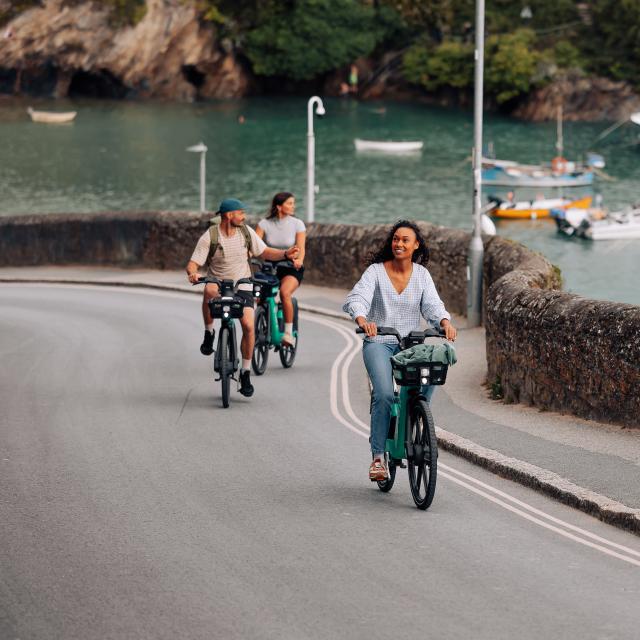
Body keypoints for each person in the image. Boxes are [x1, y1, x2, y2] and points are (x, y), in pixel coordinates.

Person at [343, 220, 457, 481]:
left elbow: (432, 305)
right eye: (396, 239)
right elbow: (357, 298)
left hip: (411, 345)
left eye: (405, 240)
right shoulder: (375, 272)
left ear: (416, 245)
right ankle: (378, 457)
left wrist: (444, 322)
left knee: (428, 380)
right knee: (383, 394)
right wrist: (363, 320)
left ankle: (416, 418)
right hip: (379, 343)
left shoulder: (422, 275)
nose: (399, 243)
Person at [186, 198, 299, 397]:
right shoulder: (210, 236)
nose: (244, 216)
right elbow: (193, 263)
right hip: (218, 282)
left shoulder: (246, 232)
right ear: (229, 215)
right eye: (241, 213)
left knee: (248, 325)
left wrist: (285, 254)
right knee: (209, 291)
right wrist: (193, 273)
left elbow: (264, 252)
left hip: (243, 284)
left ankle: (245, 373)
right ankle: (209, 333)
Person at [255, 192, 306, 347]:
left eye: (293, 203)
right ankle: (261, 320)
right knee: (259, 296)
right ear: (279, 206)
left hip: (290, 267)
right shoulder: (264, 224)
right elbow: (255, 245)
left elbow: (301, 248)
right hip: (270, 267)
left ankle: (288, 333)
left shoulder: (297, 224)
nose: (293, 206)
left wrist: (299, 260)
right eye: (289, 203)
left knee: (285, 293)